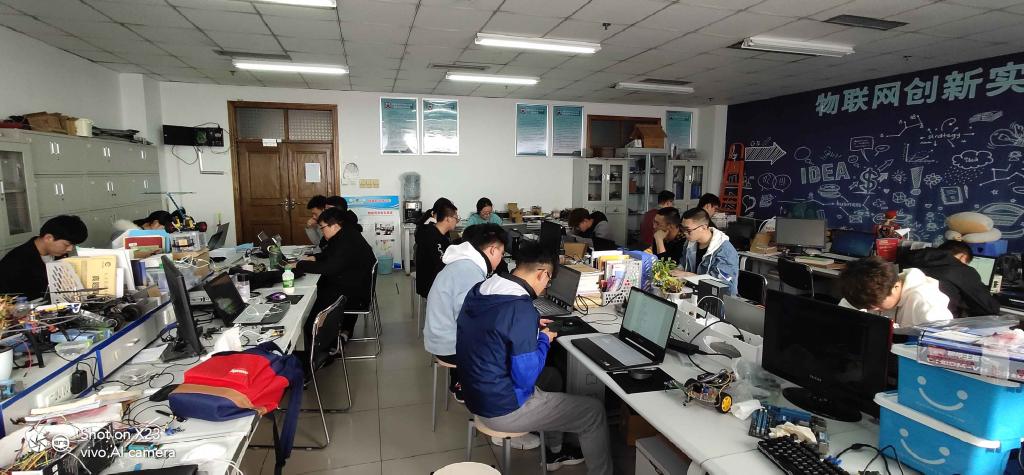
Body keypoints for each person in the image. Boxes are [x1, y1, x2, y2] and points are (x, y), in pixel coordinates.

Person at [457, 242, 611, 474]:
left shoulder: (483, 288)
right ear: (542, 273)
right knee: (594, 412)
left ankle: (555, 451)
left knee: (553, 377)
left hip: (474, 391)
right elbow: (526, 378)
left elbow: (491, 326)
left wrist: (529, 327)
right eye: (548, 281)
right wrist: (544, 339)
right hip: (502, 407)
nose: (546, 287)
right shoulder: (520, 309)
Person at [424, 225, 507, 402]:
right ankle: (479, 392)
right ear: (493, 250)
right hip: (448, 345)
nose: (501, 259)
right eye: (501, 254)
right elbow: (470, 320)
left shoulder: (465, 264)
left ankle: (464, 380)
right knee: (506, 346)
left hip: (441, 335)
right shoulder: (468, 271)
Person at [296, 207, 376, 369]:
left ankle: (320, 352)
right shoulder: (345, 235)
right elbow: (331, 256)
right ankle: (319, 345)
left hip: (354, 294)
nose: (322, 231)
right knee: (317, 291)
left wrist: (300, 265)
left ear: (334, 226)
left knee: (311, 307)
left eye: (322, 228)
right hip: (353, 284)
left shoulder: (346, 241)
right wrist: (314, 258)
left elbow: (330, 268)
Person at [838, 256, 954, 329]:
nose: (873, 309)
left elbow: (945, 341)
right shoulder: (863, 292)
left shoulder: (926, 303)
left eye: (877, 306)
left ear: (895, 287)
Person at [898, 241, 1000, 318]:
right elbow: (990, 308)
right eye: (966, 263)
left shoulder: (910, 257)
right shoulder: (961, 270)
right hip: (940, 323)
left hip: (901, 317)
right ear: (962, 257)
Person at [0, 215, 88, 301]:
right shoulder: (15, 262)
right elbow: (8, 300)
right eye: (67, 244)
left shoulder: (60, 254)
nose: (70, 249)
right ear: (48, 238)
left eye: (73, 245)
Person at [671, 208, 739, 295]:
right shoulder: (690, 243)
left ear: (703, 227)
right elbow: (683, 264)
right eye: (682, 228)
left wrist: (687, 275)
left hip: (717, 298)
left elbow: (724, 285)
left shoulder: (725, 250)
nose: (684, 233)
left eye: (688, 230)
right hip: (693, 293)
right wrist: (675, 273)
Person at [415, 199, 458, 300]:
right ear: (448, 219)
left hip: (437, 280)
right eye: (456, 218)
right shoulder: (432, 236)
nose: (457, 221)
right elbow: (443, 264)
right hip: (430, 284)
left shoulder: (438, 233)